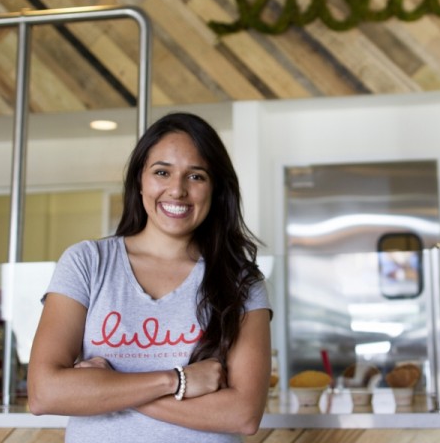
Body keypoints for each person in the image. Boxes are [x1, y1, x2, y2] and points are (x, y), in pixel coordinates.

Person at [27, 112, 272, 442]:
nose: (177, 190)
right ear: (139, 180)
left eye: (196, 176)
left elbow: (242, 415)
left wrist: (108, 386)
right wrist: (177, 381)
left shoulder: (241, 280)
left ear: (216, 189)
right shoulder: (87, 262)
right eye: (162, 172)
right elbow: (45, 393)